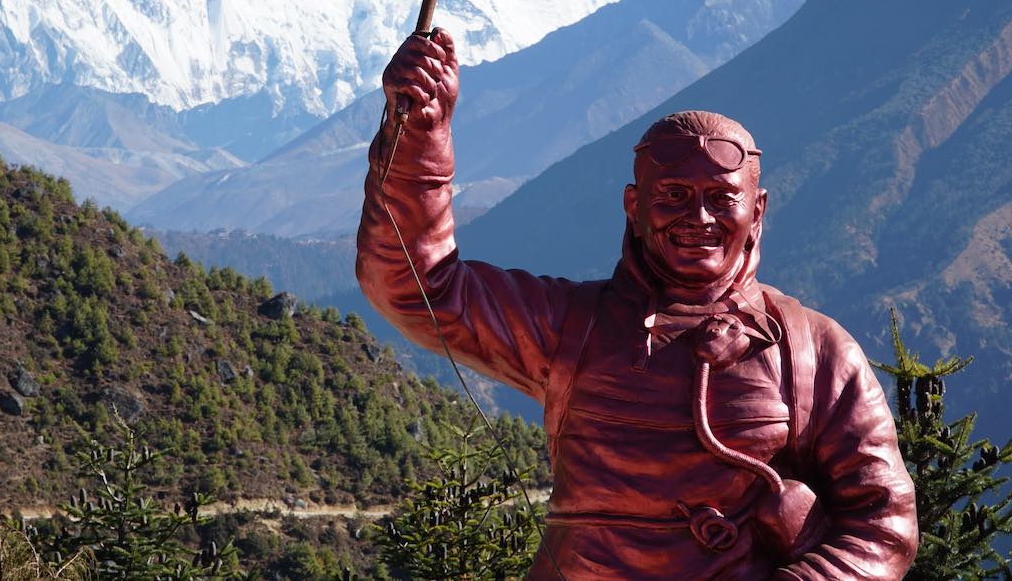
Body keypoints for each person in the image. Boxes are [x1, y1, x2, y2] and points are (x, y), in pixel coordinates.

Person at [357, 29, 918, 579]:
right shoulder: (570, 326)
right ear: (634, 205)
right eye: (672, 195)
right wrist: (420, 133)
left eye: (721, 198)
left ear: (759, 208)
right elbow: (416, 288)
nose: (697, 218)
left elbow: (883, 521)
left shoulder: (814, 350)